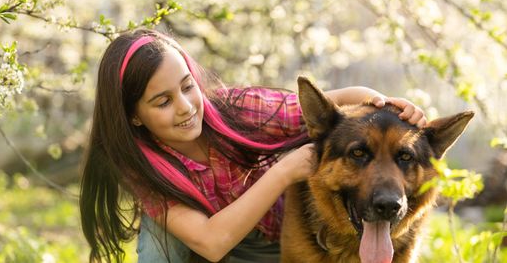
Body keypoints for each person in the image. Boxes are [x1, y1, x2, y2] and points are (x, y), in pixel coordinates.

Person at [79, 30, 426, 263]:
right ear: (134, 116)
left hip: (287, 242)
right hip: (222, 249)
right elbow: (211, 244)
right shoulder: (144, 168)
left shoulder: (242, 110)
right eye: (162, 101)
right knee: (159, 233)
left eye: (187, 87)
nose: (185, 106)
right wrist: (284, 170)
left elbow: (335, 109)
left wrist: (383, 103)